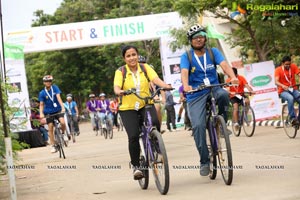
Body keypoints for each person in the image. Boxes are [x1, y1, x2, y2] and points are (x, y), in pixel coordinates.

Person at [180, 25, 238, 176]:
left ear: (205, 38)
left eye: (201, 36)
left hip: (214, 88)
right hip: (196, 93)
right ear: (191, 41)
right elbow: (184, 72)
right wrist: (186, 86)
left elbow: (224, 65)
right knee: (198, 126)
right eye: (195, 37)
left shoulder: (213, 52)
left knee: (224, 95)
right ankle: (204, 161)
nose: (199, 39)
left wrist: (233, 77)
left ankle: (222, 123)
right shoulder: (187, 56)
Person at [114, 45, 171, 180]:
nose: (132, 58)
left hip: (145, 104)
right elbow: (116, 86)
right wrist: (119, 91)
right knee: (133, 136)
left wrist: (165, 86)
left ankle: (156, 147)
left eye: (134, 54)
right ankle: (136, 166)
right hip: (128, 108)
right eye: (128, 56)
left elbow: (155, 79)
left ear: (137, 55)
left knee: (155, 122)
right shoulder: (120, 72)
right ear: (124, 58)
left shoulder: (145, 68)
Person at [39, 75, 67, 153]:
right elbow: (41, 104)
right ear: (44, 83)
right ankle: (53, 146)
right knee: (50, 127)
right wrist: (41, 113)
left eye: (50, 81)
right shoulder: (42, 93)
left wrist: (62, 107)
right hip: (48, 112)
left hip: (58, 109)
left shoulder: (55, 88)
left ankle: (63, 133)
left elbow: (58, 97)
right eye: (46, 81)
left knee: (62, 122)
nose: (48, 83)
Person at [138, 55, 166, 132]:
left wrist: (162, 98)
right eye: (139, 63)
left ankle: (158, 129)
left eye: (143, 63)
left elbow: (161, 88)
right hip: (138, 100)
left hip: (150, 98)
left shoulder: (152, 77)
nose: (141, 65)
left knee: (157, 108)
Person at [275, 55, 300, 125]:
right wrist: (283, 85)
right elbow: (276, 81)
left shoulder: (293, 66)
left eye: (289, 64)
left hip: (293, 89)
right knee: (290, 98)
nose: (288, 66)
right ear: (282, 63)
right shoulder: (278, 70)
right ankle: (292, 118)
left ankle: (298, 119)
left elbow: (299, 74)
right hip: (282, 91)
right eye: (286, 64)